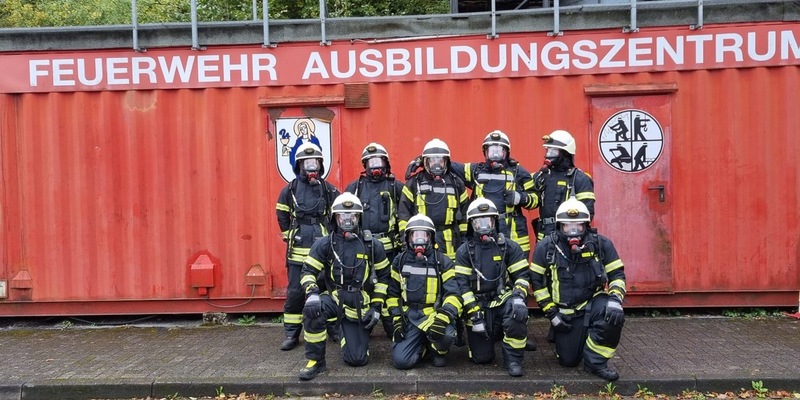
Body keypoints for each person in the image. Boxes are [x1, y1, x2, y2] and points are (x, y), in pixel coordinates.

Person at [529, 197, 627, 381]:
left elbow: (617, 275)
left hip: (593, 303)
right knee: (568, 360)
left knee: (613, 316)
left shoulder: (600, 245)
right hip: (564, 312)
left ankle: (595, 362)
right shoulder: (546, 247)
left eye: (578, 225)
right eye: (567, 226)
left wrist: (615, 300)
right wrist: (552, 314)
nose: (573, 230)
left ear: (586, 225)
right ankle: (578, 340)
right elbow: (537, 284)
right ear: (559, 226)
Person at [297, 192, 391, 380]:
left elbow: (385, 277)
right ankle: (316, 361)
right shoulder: (325, 243)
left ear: (359, 217)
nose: (348, 220)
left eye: (353, 216)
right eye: (343, 216)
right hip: (335, 298)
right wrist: (313, 293)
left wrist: (376, 307)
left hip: (359, 303)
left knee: (357, 360)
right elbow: (307, 271)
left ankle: (344, 333)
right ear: (335, 218)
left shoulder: (372, 245)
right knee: (313, 310)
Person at [453, 197, 531, 377]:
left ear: (495, 221)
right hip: (478, 306)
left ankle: (513, 359)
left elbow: (522, 276)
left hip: (501, 299)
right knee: (482, 358)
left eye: (488, 221)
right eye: (478, 222)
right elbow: (463, 286)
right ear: (471, 224)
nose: (484, 226)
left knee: (516, 313)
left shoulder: (508, 247)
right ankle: (493, 334)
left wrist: (519, 296)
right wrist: (474, 315)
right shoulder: (465, 251)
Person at [275, 142, 340, 351]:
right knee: (295, 292)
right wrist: (289, 236)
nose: (311, 166)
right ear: (299, 165)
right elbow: (281, 213)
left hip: (323, 250)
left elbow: (338, 215)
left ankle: (332, 329)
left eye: (315, 162)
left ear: (320, 165)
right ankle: (291, 333)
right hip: (298, 251)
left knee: (326, 289)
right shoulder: (290, 189)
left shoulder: (329, 190)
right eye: (307, 162)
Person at [386, 214, 462, 369]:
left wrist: (442, 319)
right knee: (401, 362)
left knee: (447, 334)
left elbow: (454, 295)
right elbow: (392, 295)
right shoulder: (399, 261)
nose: (419, 240)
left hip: (433, 315)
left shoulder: (443, 262)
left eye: (423, 235)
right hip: (410, 316)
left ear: (431, 238)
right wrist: (397, 319)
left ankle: (436, 351)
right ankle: (424, 348)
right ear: (408, 238)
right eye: (415, 235)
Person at [345, 142, 404, 338]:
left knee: (390, 284)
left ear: (386, 164)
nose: (375, 166)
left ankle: (390, 323)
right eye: (371, 162)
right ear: (365, 165)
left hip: (390, 248)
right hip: (363, 247)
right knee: (364, 283)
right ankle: (365, 321)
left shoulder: (396, 187)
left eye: (378, 161)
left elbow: (407, 213)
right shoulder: (354, 188)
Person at [450, 130, 538, 260]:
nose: (495, 154)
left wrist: (519, 198)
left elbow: (535, 198)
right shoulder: (476, 171)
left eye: (499, 150)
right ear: (485, 152)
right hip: (483, 228)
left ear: (507, 152)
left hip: (513, 232)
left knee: (517, 266)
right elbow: (450, 165)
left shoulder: (518, 172)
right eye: (491, 150)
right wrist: (425, 160)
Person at [399, 138, 469, 260]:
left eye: (440, 160)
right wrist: (405, 239)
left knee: (449, 272)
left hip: (449, 242)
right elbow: (403, 214)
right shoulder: (414, 183)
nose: (437, 164)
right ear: (425, 162)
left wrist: (464, 239)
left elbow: (464, 215)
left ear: (446, 162)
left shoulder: (456, 183)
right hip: (421, 238)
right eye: (432, 160)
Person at [532, 129, 596, 241]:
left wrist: (570, 230)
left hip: (568, 235)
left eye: (553, 151)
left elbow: (587, 213)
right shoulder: (542, 176)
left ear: (565, 153)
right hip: (544, 235)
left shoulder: (580, 178)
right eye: (548, 150)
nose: (548, 155)